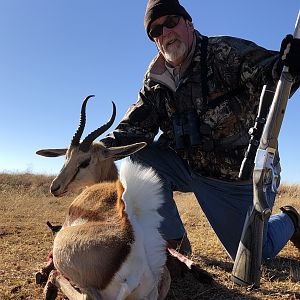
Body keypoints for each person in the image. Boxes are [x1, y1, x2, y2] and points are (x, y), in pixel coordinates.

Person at [101, 0, 300, 261]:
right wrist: (95, 151)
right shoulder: (155, 83)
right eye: (155, 31)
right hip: (186, 168)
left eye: (170, 22)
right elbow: (132, 130)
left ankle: (291, 219)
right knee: (140, 157)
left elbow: (275, 75)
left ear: (189, 23)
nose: (165, 33)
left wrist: (291, 64)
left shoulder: (225, 53)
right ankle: (175, 245)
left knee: (255, 255)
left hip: (236, 178)